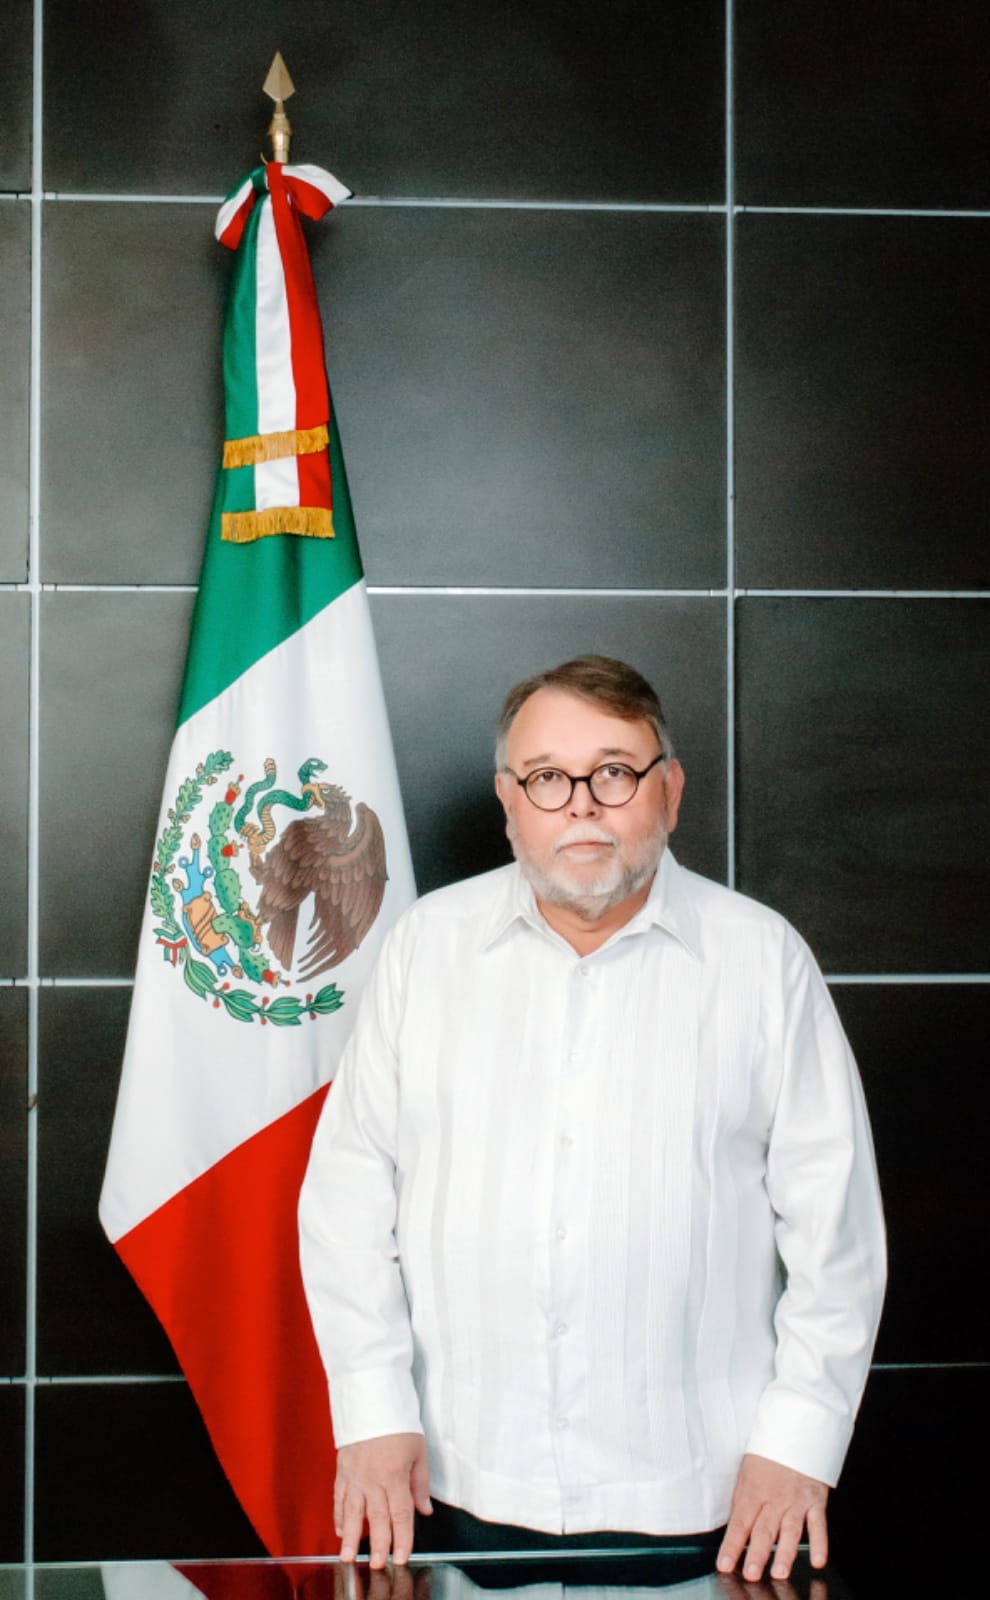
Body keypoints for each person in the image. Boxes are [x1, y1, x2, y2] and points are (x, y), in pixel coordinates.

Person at [298, 655, 886, 1582]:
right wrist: (372, 1412)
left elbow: (837, 1236)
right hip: (451, 1491)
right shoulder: (425, 950)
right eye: (546, 777)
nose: (581, 805)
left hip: (710, 1506)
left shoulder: (763, 960)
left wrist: (799, 1445)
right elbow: (348, 1198)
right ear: (508, 801)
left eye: (614, 772)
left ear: (670, 791)